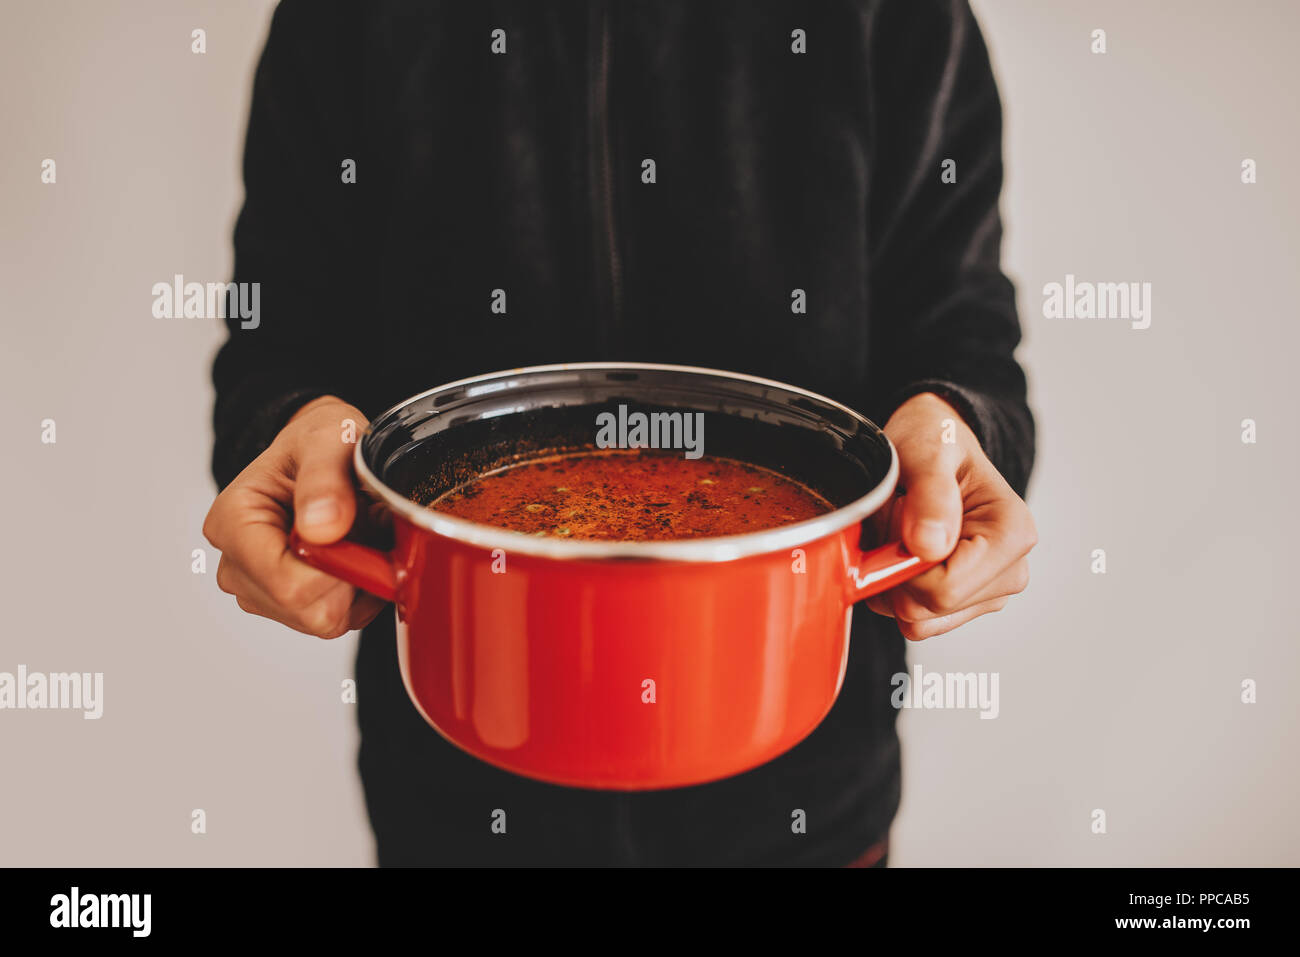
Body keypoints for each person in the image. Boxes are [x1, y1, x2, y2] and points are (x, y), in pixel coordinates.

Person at [202, 0, 1037, 866]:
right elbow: (275, 342)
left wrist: (956, 430)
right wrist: (292, 432)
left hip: (806, 813)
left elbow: (965, 337)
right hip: (454, 806)